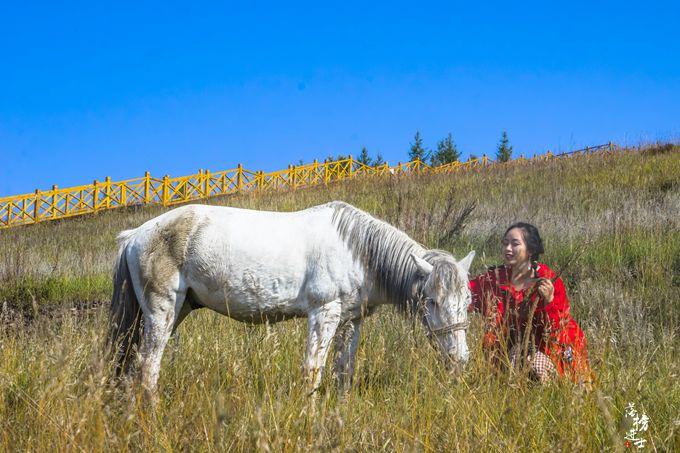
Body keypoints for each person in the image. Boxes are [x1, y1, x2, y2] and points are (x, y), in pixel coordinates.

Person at [469, 222, 590, 384]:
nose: (508, 249)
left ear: (530, 250)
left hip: (544, 347)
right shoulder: (494, 279)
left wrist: (549, 301)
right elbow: (464, 293)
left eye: (515, 244)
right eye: (505, 244)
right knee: (512, 367)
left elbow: (559, 327)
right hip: (505, 350)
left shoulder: (548, 279)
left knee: (537, 368)